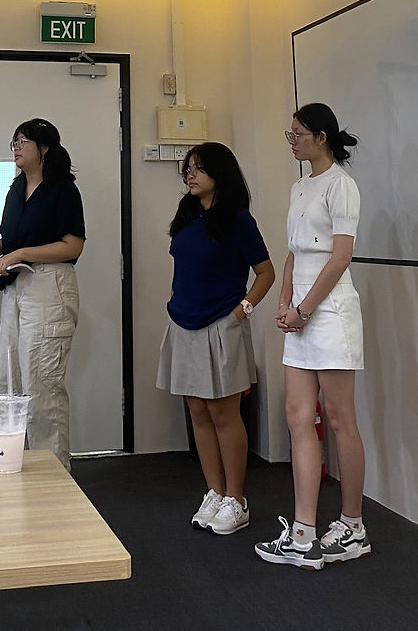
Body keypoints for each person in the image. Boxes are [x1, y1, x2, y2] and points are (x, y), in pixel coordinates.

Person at [254, 103, 369, 570]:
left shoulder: (341, 185)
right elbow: (294, 254)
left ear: (321, 137)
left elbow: (340, 257)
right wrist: (284, 303)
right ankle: (303, 530)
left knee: (339, 418)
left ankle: (353, 525)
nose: (292, 141)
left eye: (298, 133)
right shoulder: (301, 186)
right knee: (298, 416)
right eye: (290, 133)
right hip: (300, 312)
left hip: (332, 312)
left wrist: (304, 309)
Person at [156, 142, 275, 536]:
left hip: (221, 324)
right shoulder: (187, 215)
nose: (190, 175)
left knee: (224, 413)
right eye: (188, 168)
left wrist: (242, 311)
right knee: (198, 412)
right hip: (184, 322)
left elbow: (265, 273)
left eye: (199, 169)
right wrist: (175, 298)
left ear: (219, 174)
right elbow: (182, 265)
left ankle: (237, 499)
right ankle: (214, 492)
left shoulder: (238, 220)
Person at [0, 118, 85, 470]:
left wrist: (21, 254)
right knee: (9, 381)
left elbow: (73, 246)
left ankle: (54, 476)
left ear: (45, 148)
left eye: (24, 141)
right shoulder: (15, 188)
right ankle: (13, 464)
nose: (16, 147)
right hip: (17, 289)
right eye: (14, 142)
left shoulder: (63, 189)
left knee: (41, 386)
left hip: (49, 286)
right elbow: (13, 237)